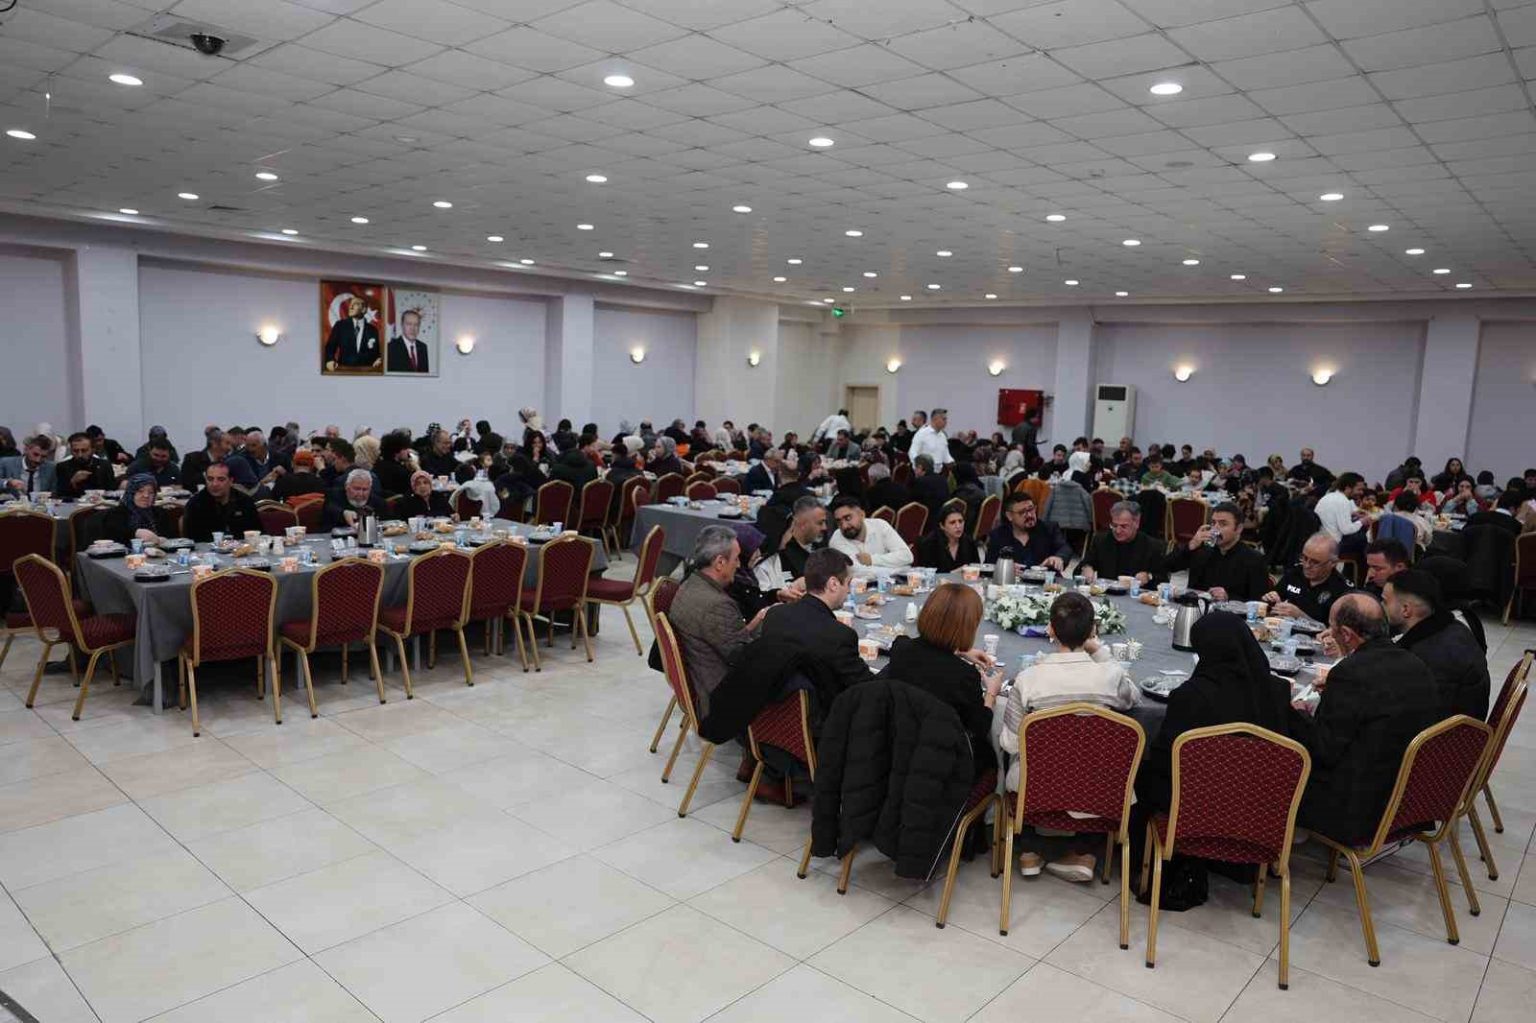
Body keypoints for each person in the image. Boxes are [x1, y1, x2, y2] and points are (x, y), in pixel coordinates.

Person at [1001, 591, 1140, 881]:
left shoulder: (1029, 679)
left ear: (1050, 629)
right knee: (1088, 764)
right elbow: (1132, 698)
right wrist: (1099, 650)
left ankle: (1029, 848)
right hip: (1100, 789)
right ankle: (1084, 851)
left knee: (1013, 754)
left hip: (1038, 788)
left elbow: (1010, 742)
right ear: (1092, 631)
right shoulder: (1110, 676)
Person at [1294, 593, 1442, 841]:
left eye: (1332, 629)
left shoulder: (1350, 673)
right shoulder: (1416, 663)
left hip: (1360, 809)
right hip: (1410, 797)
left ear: (1347, 634)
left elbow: (1323, 749)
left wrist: (1299, 714)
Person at [877, 583, 1003, 781]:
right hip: (941, 766)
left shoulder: (901, 648)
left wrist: (960, 651)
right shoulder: (964, 675)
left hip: (892, 748)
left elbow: (927, 653)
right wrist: (991, 693)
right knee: (993, 759)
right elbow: (979, 727)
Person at [753, 548, 873, 696]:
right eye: (849, 583)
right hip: (826, 707)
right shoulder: (839, 636)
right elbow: (867, 688)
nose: (849, 590)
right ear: (833, 584)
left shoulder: (774, 616)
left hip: (777, 705)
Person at [1385, 570, 1489, 719]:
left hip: (1443, 731)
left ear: (1405, 609)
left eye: (1385, 601)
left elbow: (1408, 713)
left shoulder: (1420, 660)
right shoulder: (1454, 627)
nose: (1380, 606)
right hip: (1465, 722)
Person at [1165, 503, 1269, 600]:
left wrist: (1228, 597)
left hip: (1230, 612)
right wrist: (1191, 545)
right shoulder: (1202, 549)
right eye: (1213, 523)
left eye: (1223, 524)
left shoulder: (1254, 559)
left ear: (1238, 528)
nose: (1215, 529)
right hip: (1195, 607)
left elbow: (1259, 602)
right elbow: (1168, 566)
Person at [1263, 532, 1353, 621]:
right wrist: (1271, 600)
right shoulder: (1295, 573)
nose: (1307, 565)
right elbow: (1275, 598)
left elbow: (1336, 629)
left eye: (1315, 562)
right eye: (1304, 558)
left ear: (1333, 563)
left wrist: (1301, 617)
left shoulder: (1343, 591)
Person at [1081, 501, 1166, 585]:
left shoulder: (1152, 546)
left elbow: (1163, 579)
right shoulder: (1101, 540)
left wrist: (1149, 576)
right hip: (1107, 592)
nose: (1118, 531)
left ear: (1136, 523)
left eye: (1124, 526)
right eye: (1114, 525)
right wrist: (1086, 568)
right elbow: (1081, 567)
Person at [827, 495, 913, 576]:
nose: (844, 526)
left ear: (862, 515)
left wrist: (872, 560)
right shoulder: (837, 540)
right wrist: (898, 570)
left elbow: (907, 556)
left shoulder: (880, 525)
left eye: (848, 518)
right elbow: (857, 572)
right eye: (839, 522)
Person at [985, 492, 1071, 571]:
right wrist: (1005, 568)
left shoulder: (1049, 528)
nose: (1029, 515)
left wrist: (1059, 558)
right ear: (1009, 516)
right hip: (1012, 581)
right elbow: (989, 565)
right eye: (1022, 512)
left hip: (1045, 580)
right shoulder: (998, 535)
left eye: (1031, 509)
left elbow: (1065, 548)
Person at [757, 495, 826, 586]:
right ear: (802, 524)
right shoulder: (781, 556)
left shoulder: (822, 548)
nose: (825, 527)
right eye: (820, 523)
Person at [181, 461, 260, 541]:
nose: (214, 484)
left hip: (242, 547)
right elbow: (190, 540)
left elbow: (257, 533)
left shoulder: (245, 502)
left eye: (221, 479)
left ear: (231, 481)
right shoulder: (195, 504)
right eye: (210, 479)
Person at [914, 505, 981, 572]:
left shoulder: (969, 542)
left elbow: (978, 569)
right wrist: (954, 573)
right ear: (942, 526)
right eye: (952, 523)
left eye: (960, 521)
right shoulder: (929, 544)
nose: (958, 526)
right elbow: (927, 574)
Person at [1315, 472, 1368, 556]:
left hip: (1321, 538)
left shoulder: (1329, 496)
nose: (1361, 493)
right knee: (1362, 538)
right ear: (1348, 488)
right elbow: (1346, 530)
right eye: (1359, 489)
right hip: (1333, 544)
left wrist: (1352, 514)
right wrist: (1362, 521)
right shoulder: (1343, 501)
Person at [101, 474, 163, 545]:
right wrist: (135, 533)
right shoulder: (116, 514)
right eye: (140, 491)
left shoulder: (159, 513)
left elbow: (170, 537)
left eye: (151, 492)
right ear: (131, 493)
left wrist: (164, 540)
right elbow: (114, 537)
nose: (146, 495)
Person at [324, 294, 382, 370]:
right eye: (350, 304)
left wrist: (378, 360)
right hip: (344, 370)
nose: (350, 307)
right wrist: (330, 360)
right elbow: (330, 348)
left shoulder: (372, 330)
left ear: (364, 310)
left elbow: (376, 353)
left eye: (355, 304)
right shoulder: (340, 326)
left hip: (366, 372)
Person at [54, 432, 115, 500]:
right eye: (75, 451)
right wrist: (73, 482)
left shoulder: (104, 465)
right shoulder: (62, 467)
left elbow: (112, 491)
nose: (80, 455)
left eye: (84, 450)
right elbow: (59, 495)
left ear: (93, 449)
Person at [323, 469, 388, 530]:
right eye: (357, 489)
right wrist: (343, 513)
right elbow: (330, 508)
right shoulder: (333, 496)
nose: (360, 494)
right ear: (346, 486)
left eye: (365, 489)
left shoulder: (379, 502)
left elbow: (386, 524)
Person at [387, 307, 430, 373]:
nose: (412, 328)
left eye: (416, 325)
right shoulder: (390, 348)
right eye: (409, 324)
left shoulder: (423, 347)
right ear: (402, 325)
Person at [909, 454, 952, 521]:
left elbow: (912, 505)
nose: (914, 470)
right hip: (943, 517)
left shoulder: (920, 482)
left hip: (926, 520)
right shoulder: (942, 479)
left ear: (920, 468)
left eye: (915, 467)